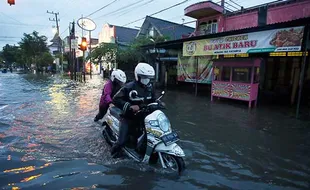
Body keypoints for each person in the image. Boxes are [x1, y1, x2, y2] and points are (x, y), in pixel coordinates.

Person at [111, 62, 156, 157]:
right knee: (121, 142)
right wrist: (129, 106)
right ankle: (113, 154)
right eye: (144, 78)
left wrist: (159, 103)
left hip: (144, 118)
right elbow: (116, 99)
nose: (146, 80)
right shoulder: (129, 87)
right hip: (128, 118)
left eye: (148, 78)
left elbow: (153, 99)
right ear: (138, 76)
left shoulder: (150, 87)